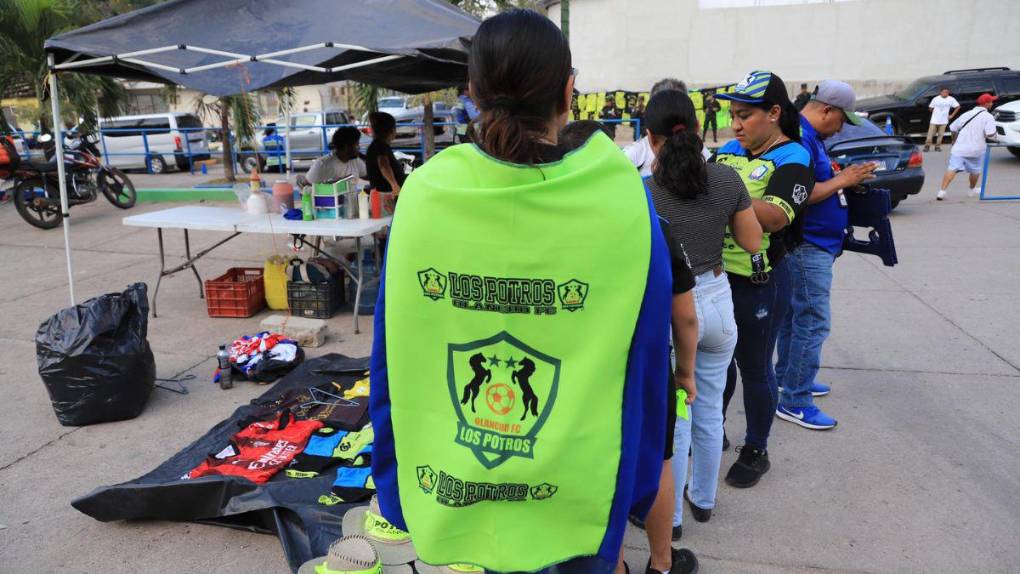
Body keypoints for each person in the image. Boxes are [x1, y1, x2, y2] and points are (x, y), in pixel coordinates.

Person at [370, 10, 693, 574]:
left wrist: (395, 477)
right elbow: (645, 354)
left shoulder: (424, 198)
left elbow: (392, 350)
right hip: (580, 487)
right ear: (569, 92)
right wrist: (638, 480)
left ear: (471, 93)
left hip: (458, 483)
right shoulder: (620, 199)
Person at [642, 89, 763, 536]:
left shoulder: (645, 193)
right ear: (698, 131)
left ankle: (669, 521)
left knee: (676, 419)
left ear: (650, 139)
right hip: (717, 297)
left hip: (672, 309)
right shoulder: (728, 181)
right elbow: (752, 242)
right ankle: (704, 501)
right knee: (711, 410)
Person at [713, 70, 815, 489]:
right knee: (715, 365)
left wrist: (721, 191)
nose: (735, 125)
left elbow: (774, 217)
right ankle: (711, 428)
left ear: (774, 113)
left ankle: (757, 448)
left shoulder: (794, 157)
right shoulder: (728, 152)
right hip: (715, 279)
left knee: (754, 367)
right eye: (733, 116)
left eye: (744, 116)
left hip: (761, 282)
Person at [774, 81, 877, 431]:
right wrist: (843, 179)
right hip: (807, 245)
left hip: (811, 243)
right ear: (827, 110)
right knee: (813, 320)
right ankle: (795, 400)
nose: (842, 128)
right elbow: (799, 194)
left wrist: (846, 180)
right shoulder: (801, 138)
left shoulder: (808, 137)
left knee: (793, 317)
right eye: (842, 121)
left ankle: (788, 380)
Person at [624, 78, 714, 176]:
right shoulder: (633, 157)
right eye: (664, 108)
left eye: (678, 107)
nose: (671, 112)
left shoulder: (706, 158)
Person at [937, 93, 998, 200]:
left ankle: (941, 192)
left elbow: (953, 128)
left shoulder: (967, 114)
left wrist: (954, 140)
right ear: (987, 104)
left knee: (952, 168)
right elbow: (990, 134)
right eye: (991, 101)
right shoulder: (989, 117)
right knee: (975, 170)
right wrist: (996, 136)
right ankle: (971, 190)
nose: (992, 103)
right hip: (976, 149)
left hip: (959, 148)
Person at [365, 111, 406, 196]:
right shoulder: (380, 147)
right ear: (391, 130)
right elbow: (383, 164)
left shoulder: (379, 146)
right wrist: (394, 185)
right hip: (385, 195)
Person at [924, 87, 960, 152]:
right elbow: (930, 108)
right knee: (930, 134)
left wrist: (952, 115)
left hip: (944, 121)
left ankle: (937, 146)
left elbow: (958, 107)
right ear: (940, 92)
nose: (945, 93)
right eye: (944, 92)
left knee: (941, 135)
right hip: (934, 120)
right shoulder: (936, 99)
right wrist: (936, 112)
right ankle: (927, 146)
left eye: (947, 92)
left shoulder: (951, 99)